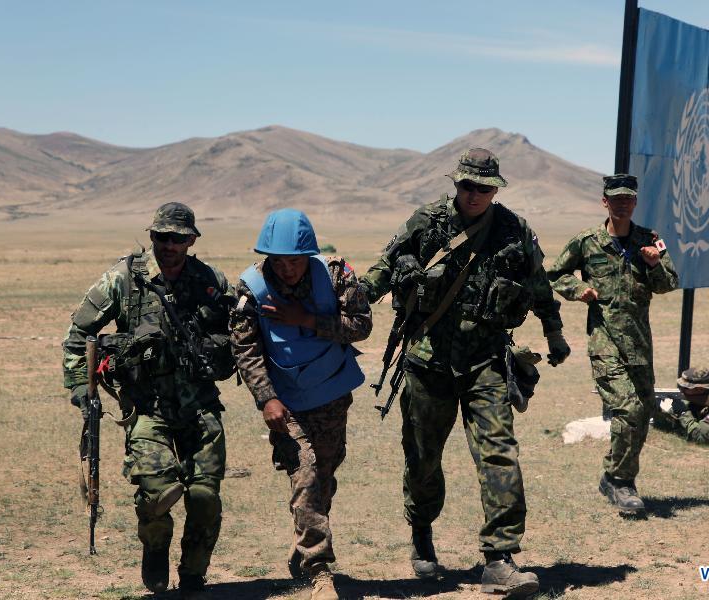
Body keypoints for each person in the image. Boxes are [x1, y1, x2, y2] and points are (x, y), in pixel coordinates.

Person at [359, 148, 570, 597]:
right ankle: (421, 532)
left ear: (496, 190)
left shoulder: (514, 230)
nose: (474, 194)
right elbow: (384, 267)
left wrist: (554, 333)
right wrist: (354, 297)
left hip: (486, 361)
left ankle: (499, 557)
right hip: (428, 361)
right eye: (467, 186)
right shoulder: (427, 222)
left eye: (484, 188)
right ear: (456, 184)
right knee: (423, 458)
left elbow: (539, 285)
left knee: (499, 453)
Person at [62, 203, 235, 598]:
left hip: (199, 403)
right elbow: (78, 337)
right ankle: (155, 548)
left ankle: (193, 574)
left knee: (205, 496)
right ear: (152, 236)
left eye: (178, 238)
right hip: (146, 406)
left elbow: (240, 331)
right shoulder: (122, 279)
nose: (169, 245)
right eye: (161, 237)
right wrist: (81, 387)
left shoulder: (210, 281)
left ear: (191, 241)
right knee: (157, 493)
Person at [230, 209, 371, 600]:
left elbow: (362, 325)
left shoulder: (336, 275)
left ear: (308, 255)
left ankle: (305, 541)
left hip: (331, 394)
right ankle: (319, 571)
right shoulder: (250, 288)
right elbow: (245, 349)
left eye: (294, 260)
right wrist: (267, 398)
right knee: (305, 478)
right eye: (278, 261)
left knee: (323, 476)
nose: (287, 269)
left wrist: (306, 319)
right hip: (286, 403)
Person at [548, 174, 678, 514]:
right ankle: (621, 481)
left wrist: (653, 265)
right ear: (604, 201)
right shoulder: (587, 241)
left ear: (635, 202)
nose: (622, 204)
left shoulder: (650, 239)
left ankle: (613, 477)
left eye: (627, 199)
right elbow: (556, 275)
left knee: (643, 411)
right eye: (615, 198)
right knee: (627, 410)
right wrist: (579, 290)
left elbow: (669, 283)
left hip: (639, 343)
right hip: (604, 340)